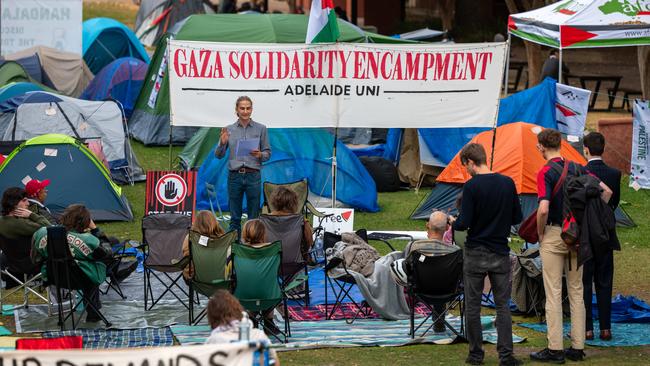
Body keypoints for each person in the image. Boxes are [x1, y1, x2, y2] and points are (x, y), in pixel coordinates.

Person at [530, 129, 612, 363]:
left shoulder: (545, 171)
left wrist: (540, 232)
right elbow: (606, 192)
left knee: (554, 292)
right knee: (577, 292)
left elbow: (543, 208)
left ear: (541, 147)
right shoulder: (578, 167)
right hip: (578, 237)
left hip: (555, 233)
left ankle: (554, 348)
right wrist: (591, 219)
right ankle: (577, 346)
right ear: (562, 145)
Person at [450, 143, 523, 366]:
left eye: (466, 166)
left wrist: (453, 221)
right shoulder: (507, 183)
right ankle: (506, 356)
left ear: (471, 162)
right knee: (502, 305)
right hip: (500, 252)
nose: (467, 171)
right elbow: (516, 217)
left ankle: (475, 355)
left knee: (472, 305)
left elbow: (464, 223)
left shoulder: (472, 187)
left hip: (475, 252)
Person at [31, 204, 110, 322]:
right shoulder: (88, 239)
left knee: (81, 269)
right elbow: (107, 253)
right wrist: (95, 229)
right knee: (94, 269)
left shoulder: (41, 233)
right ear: (85, 222)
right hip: (81, 280)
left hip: (53, 278)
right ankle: (93, 312)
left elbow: (35, 258)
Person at [582, 132, 621, 341]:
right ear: (603, 149)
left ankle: (587, 328)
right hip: (606, 232)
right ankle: (606, 328)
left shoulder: (581, 172)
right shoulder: (614, 174)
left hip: (586, 234)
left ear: (585, 149)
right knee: (605, 281)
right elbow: (614, 204)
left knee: (585, 281)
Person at [215, 96, 271, 235]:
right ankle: (235, 245)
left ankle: (252, 244)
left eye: (248, 108)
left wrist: (260, 155)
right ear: (236, 110)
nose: (245, 111)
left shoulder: (261, 128)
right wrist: (222, 143)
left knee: (253, 216)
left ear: (251, 109)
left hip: (253, 176)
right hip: (235, 176)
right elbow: (219, 155)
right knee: (235, 216)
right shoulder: (229, 129)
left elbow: (268, 153)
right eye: (242, 108)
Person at [403, 211, 460, 333]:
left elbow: (406, 269)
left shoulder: (414, 247)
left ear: (427, 225)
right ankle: (439, 322)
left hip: (420, 290)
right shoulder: (455, 251)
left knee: (430, 279)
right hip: (448, 292)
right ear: (447, 227)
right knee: (440, 280)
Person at [205, 289, 279, 365]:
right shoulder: (259, 335)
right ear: (238, 309)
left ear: (212, 317)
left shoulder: (214, 340)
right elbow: (274, 362)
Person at [241, 219, 280, 334]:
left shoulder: (236, 250)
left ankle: (252, 319)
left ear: (244, 233)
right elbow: (276, 272)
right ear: (263, 234)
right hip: (269, 295)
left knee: (246, 283)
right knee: (268, 282)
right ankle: (269, 321)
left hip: (244, 294)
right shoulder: (273, 249)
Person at [269, 186, 314, 261]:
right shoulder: (302, 222)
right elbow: (308, 244)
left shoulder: (264, 221)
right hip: (296, 267)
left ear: (274, 202)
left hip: (270, 266)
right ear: (294, 202)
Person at [182, 210, 227, 281]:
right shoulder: (224, 239)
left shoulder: (190, 238)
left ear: (196, 223)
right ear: (214, 222)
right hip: (222, 279)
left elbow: (186, 257)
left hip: (196, 280)